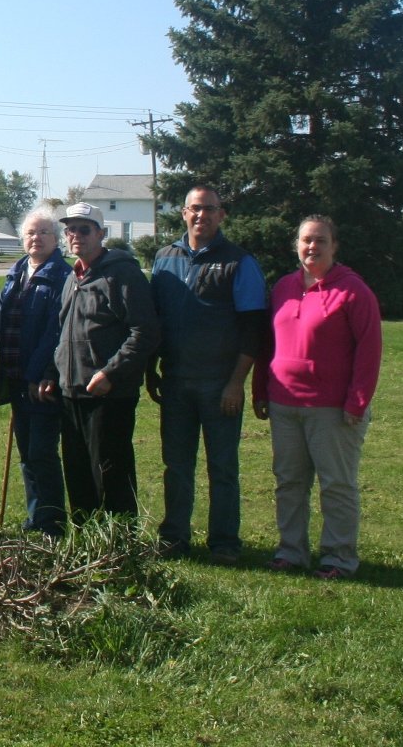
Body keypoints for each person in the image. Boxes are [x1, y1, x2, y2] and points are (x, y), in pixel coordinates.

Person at [252, 215, 381, 580]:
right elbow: (267, 344)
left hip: (332, 409)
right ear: (297, 245)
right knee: (289, 482)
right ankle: (291, 551)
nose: (312, 246)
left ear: (334, 246)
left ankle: (339, 557)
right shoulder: (283, 287)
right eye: (306, 240)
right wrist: (260, 389)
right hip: (284, 404)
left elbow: (369, 351)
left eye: (320, 240)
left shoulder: (353, 291)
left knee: (336, 484)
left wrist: (357, 401)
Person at [147, 185, 266, 563]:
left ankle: (225, 542)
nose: (202, 215)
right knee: (176, 466)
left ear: (221, 215)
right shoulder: (165, 258)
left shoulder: (238, 261)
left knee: (223, 467)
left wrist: (236, 382)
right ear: (184, 212)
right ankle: (174, 537)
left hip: (220, 384)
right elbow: (154, 320)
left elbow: (253, 327)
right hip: (176, 381)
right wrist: (151, 370)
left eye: (210, 209)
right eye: (195, 208)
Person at [40, 202, 159, 523]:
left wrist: (111, 373)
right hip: (71, 392)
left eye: (84, 229)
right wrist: (52, 372)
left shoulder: (123, 274)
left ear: (101, 234)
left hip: (108, 395)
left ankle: (119, 542)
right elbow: (64, 333)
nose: (76, 235)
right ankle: (86, 540)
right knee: (78, 474)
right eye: (70, 230)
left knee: (111, 474)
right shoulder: (73, 276)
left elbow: (144, 332)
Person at [0, 207, 70, 538]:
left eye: (43, 232)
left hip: (42, 381)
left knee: (42, 451)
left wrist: (41, 373)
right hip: (15, 377)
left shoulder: (62, 276)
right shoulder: (17, 273)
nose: (35, 238)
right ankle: (35, 515)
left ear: (56, 239)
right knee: (27, 452)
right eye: (30, 233)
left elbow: (57, 331)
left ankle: (52, 521)